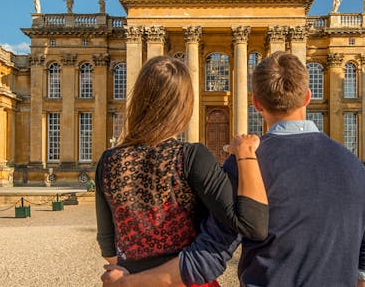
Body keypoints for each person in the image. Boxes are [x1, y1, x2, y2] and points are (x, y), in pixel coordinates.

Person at [106, 51, 365, 287]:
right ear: (308, 97)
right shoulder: (354, 167)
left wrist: (128, 282)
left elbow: (209, 255)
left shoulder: (245, 165)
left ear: (255, 103)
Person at [96, 56, 269, 287]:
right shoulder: (191, 157)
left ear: (138, 100)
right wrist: (245, 153)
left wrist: (131, 279)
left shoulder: (108, 161)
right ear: (184, 105)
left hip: (127, 278)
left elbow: (108, 246)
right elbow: (252, 224)